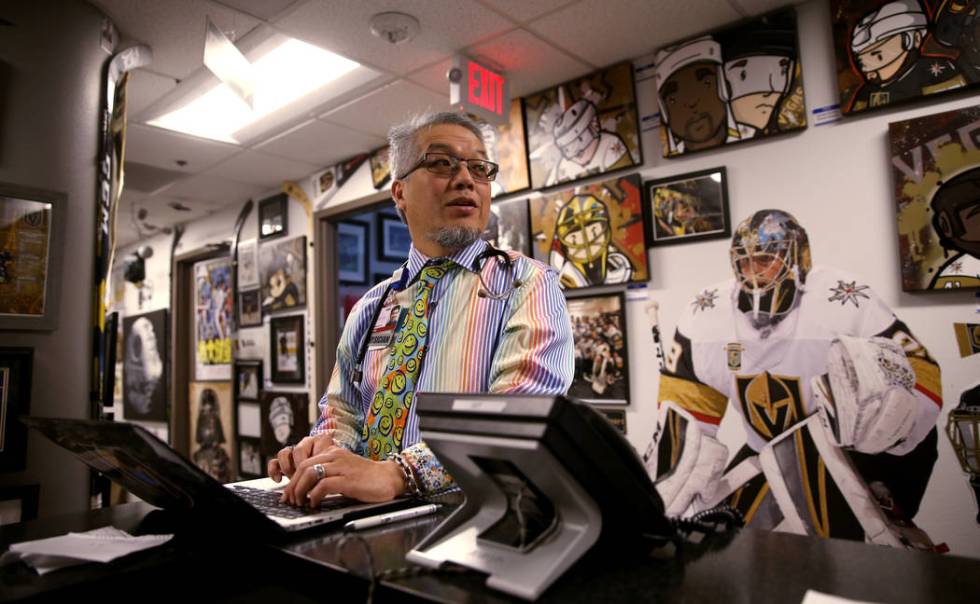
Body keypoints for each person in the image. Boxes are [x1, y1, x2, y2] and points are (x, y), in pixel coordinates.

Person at [268, 112, 574, 506]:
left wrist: (399, 474)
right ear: (399, 193)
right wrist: (322, 451)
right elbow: (342, 410)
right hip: (364, 527)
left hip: (478, 529)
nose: (466, 178)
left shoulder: (527, 284)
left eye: (480, 168)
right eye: (442, 163)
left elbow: (518, 421)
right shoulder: (371, 306)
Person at [643, 209, 942, 544]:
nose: (753, 272)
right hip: (768, 448)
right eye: (745, 261)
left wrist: (893, 424)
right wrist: (672, 472)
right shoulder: (705, 312)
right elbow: (685, 414)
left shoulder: (843, 298)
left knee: (856, 553)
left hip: (858, 453)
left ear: (799, 257)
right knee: (727, 540)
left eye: (766, 259)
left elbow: (921, 372)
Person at [847, 0, 965, 112]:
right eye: (862, 63)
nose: (870, 72)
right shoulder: (867, 92)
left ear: (915, 39)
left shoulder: (937, 73)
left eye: (879, 56)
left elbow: (952, 116)